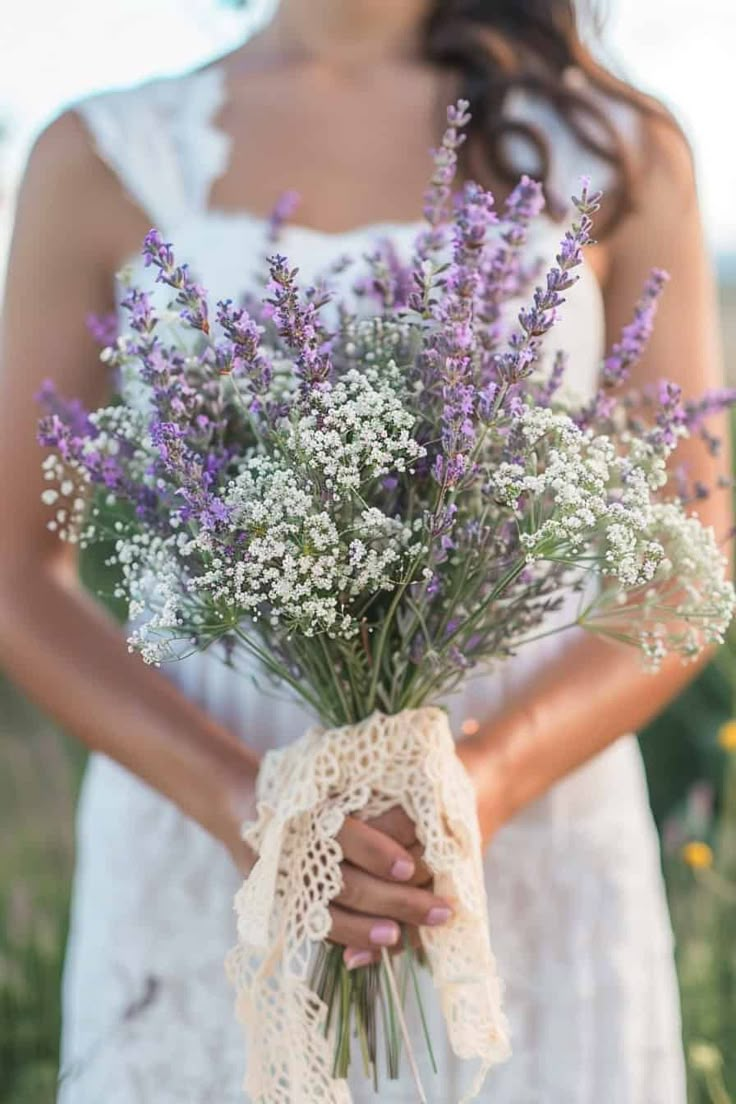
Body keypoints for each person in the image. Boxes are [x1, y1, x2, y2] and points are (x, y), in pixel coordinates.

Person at [0, 1, 730, 1100]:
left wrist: (471, 793)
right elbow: (14, 572)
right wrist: (253, 810)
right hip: (202, 836)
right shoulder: (104, 150)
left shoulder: (618, 147)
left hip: (524, 843)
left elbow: (684, 563)